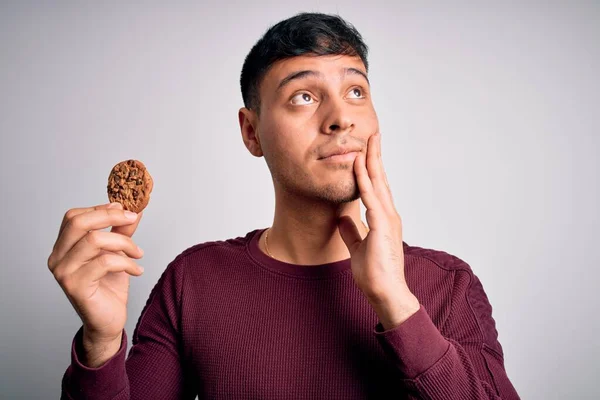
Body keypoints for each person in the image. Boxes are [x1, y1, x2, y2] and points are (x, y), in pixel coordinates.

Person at [49, 12, 520, 400]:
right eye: (304, 96)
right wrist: (102, 342)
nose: (340, 118)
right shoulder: (193, 282)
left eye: (355, 91)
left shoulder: (447, 285)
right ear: (251, 132)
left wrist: (396, 303)